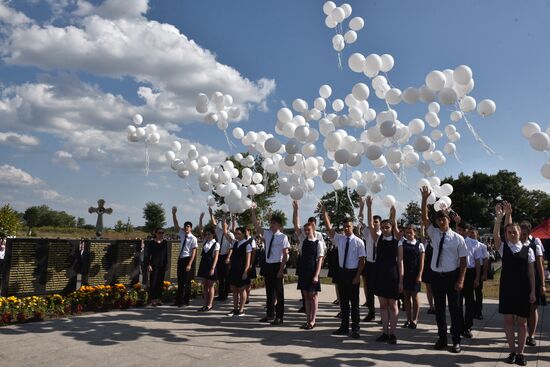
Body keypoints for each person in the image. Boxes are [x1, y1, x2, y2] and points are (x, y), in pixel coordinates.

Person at [420, 186, 467, 354]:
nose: (441, 222)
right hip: (436, 277)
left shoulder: (458, 238)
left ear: (449, 220)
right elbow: (424, 218)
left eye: (443, 219)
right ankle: (442, 338)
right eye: (438, 220)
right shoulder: (434, 234)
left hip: (452, 277)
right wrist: (425, 198)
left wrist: (461, 280)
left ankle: (456, 340)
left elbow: (463, 261)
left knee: (454, 310)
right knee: (439, 310)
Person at [494, 202, 536, 366]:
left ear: (520, 233)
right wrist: (499, 219)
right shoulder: (503, 247)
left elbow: (532, 273)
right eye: (509, 232)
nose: (512, 234)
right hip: (507, 289)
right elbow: (496, 235)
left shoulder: (529, 249)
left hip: (523, 290)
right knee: (509, 322)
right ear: (506, 234)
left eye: (514, 231)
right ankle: (511, 351)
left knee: (522, 323)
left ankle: (521, 353)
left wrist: (533, 291)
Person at [322, 205, 366, 339]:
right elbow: (330, 230)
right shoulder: (340, 239)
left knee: (355, 303)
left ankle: (356, 328)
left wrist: (358, 276)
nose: (346, 228)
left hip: (353, 273)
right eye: (345, 226)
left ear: (352, 227)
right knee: (344, 302)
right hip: (342, 273)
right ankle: (344, 327)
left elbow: (362, 261)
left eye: (349, 226)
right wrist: (325, 215)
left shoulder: (359, 242)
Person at [367, 196, 403, 344]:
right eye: (382, 228)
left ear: (392, 228)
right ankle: (385, 332)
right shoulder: (378, 239)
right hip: (380, 274)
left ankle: (393, 333)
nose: (384, 229)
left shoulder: (398, 241)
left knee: (392, 305)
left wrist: (401, 280)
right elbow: (370, 224)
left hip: (393, 274)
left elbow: (400, 262)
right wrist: (369, 207)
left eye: (387, 227)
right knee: (382, 305)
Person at [251, 204, 290, 325]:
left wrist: (281, 269)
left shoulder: (283, 237)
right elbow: (256, 225)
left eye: (273, 223)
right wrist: (253, 211)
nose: (271, 224)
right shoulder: (267, 234)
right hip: (268, 265)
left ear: (279, 225)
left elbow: (285, 254)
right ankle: (269, 314)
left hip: (277, 265)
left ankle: (280, 316)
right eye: (270, 223)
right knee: (269, 291)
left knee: (279, 292)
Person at [292, 200, 326, 313]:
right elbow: (296, 225)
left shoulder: (319, 236)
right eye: (308, 225)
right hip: (303, 261)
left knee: (313, 290)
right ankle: (305, 304)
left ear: (315, 225)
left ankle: (312, 310)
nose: (308, 229)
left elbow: (322, 251)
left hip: (313, 262)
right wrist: (296, 209)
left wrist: (319, 266)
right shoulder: (303, 235)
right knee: (304, 287)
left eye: (312, 225)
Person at [519, 220, 547, 348]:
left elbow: (540, 265)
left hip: (533, 279)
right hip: (519, 280)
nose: (521, 235)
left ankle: (532, 335)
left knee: (533, 308)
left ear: (529, 232)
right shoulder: (516, 242)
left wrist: (542, 284)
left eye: (524, 232)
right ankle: (522, 333)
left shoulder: (535, 242)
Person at [455, 220, 482, 339]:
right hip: (457, 271)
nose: (460, 232)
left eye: (463, 230)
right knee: (457, 302)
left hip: (470, 273)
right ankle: (459, 326)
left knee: (470, 301)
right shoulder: (454, 240)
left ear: (467, 231)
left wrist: (477, 278)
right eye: (458, 230)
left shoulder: (474, 243)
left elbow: (477, 262)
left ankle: (468, 326)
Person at [295, 222, 325, 330]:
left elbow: (320, 260)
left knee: (313, 296)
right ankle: (307, 320)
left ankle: (313, 320)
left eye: (308, 229)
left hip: (313, 271)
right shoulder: (303, 242)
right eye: (305, 230)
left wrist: (316, 275)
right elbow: (302, 256)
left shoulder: (318, 243)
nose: (307, 232)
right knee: (306, 296)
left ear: (313, 229)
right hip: (304, 271)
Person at [358, 197, 381, 322]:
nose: (374, 223)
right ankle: (371, 312)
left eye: (376, 221)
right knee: (369, 289)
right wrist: (362, 206)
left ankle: (385, 313)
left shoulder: (382, 235)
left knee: (382, 290)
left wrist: (369, 206)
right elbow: (361, 221)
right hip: (370, 264)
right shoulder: (367, 233)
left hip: (379, 265)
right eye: (373, 221)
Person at [224, 221, 252, 317]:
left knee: (242, 289)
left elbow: (248, 260)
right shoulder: (235, 243)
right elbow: (225, 234)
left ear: (243, 234)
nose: (236, 235)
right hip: (234, 269)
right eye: (235, 233)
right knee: (234, 289)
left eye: (238, 233)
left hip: (242, 269)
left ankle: (241, 309)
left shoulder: (247, 244)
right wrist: (224, 221)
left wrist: (246, 271)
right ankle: (235, 309)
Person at [172, 206, 198, 307]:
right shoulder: (182, 234)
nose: (186, 227)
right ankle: (178, 300)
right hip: (181, 259)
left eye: (188, 226)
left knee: (187, 282)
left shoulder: (193, 238)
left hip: (188, 259)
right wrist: (174, 214)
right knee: (180, 280)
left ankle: (185, 301)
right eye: (185, 226)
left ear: (191, 228)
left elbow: (194, 252)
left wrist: (190, 264)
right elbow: (176, 226)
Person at [401, 224, 425, 330]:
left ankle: (415, 319)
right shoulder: (402, 243)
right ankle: (408, 319)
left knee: (414, 297)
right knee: (406, 297)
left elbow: (421, 263)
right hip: (405, 274)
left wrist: (419, 275)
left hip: (415, 274)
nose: (409, 234)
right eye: (407, 232)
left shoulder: (420, 245)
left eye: (411, 232)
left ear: (415, 233)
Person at [208, 208, 235, 302]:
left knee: (226, 277)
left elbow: (232, 247)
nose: (222, 225)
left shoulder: (230, 235)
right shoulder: (218, 233)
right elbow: (214, 223)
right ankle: (220, 294)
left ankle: (225, 294)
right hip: (218, 256)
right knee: (220, 277)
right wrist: (211, 213)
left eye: (224, 223)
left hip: (226, 257)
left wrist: (228, 257)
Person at [196, 225, 220, 312]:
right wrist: (200, 220)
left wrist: (213, 268)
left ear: (213, 234)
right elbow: (201, 230)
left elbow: (216, 257)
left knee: (211, 285)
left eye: (209, 234)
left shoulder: (216, 244)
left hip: (211, 265)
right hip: (204, 265)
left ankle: (210, 305)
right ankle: (205, 304)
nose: (207, 235)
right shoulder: (205, 241)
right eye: (206, 234)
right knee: (205, 285)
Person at [469, 227, 489, 320]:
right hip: (470, 269)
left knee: (478, 292)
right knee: (469, 293)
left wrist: (484, 273)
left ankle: (479, 312)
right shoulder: (466, 244)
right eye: (469, 232)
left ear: (477, 234)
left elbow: (485, 260)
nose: (471, 234)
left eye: (473, 232)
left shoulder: (482, 246)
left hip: (479, 269)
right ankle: (472, 311)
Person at [145, 228, 168, 306]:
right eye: (159, 233)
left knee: (160, 283)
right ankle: (152, 299)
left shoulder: (165, 242)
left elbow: (166, 255)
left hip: (162, 265)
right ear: (156, 233)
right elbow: (148, 255)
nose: (161, 234)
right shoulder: (152, 243)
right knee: (153, 282)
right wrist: (148, 264)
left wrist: (166, 265)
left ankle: (159, 299)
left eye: (162, 233)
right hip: (154, 265)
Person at [422, 233, 436, 314]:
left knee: (437, 289)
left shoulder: (438, 244)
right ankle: (431, 307)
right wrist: (422, 225)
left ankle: (438, 306)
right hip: (428, 269)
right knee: (429, 289)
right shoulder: (426, 244)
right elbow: (422, 236)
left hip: (436, 270)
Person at [245, 226, 258, 303]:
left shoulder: (251, 240)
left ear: (249, 231)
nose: (245, 232)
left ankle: (247, 297)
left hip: (250, 263)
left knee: (248, 282)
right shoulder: (242, 240)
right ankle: (243, 297)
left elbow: (253, 253)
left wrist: (251, 264)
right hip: (242, 263)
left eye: (246, 231)